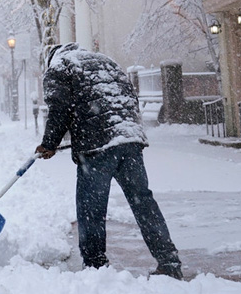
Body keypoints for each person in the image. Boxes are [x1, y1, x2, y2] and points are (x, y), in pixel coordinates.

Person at [35, 42, 183, 280]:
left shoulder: (59, 66)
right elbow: (127, 97)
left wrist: (50, 143)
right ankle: (169, 262)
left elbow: (60, 108)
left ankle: (95, 267)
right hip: (129, 137)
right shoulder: (106, 61)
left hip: (97, 147)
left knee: (91, 208)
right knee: (143, 203)